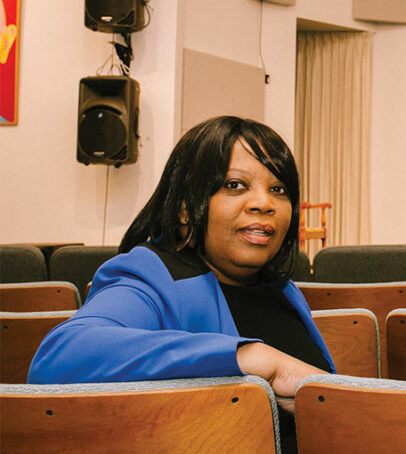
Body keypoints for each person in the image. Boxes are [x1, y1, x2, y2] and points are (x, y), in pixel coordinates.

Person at [29, 115, 333, 453]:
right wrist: (251, 357)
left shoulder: (282, 288)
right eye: (235, 185)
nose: (264, 203)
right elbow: (59, 358)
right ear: (186, 208)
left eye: (278, 189)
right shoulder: (153, 274)